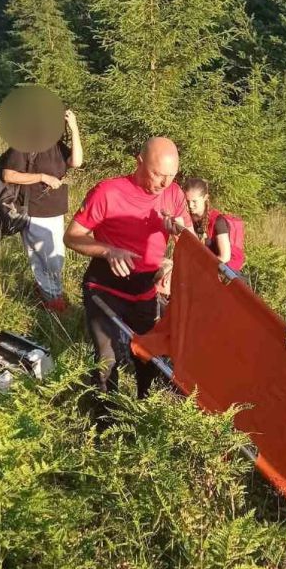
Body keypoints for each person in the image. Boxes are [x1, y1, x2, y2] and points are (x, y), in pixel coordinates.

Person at [63, 137, 191, 417]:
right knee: (107, 359)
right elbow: (71, 236)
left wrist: (175, 251)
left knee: (147, 353)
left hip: (145, 290)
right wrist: (108, 251)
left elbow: (191, 244)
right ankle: (106, 423)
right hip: (105, 288)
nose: (164, 183)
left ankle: (142, 411)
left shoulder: (174, 194)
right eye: (158, 174)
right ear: (139, 162)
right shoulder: (108, 192)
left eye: (172, 175)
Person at [1, 108, 84, 312]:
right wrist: (42, 177)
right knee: (45, 258)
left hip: (54, 211)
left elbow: (77, 162)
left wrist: (74, 130)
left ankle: (49, 293)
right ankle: (53, 301)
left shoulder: (57, 146)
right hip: (35, 211)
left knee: (55, 257)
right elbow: (8, 174)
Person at [183, 178, 244, 270]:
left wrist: (202, 268)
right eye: (187, 201)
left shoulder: (218, 221)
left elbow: (225, 257)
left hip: (223, 272)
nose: (190, 205)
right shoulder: (189, 218)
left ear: (205, 198)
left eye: (194, 201)